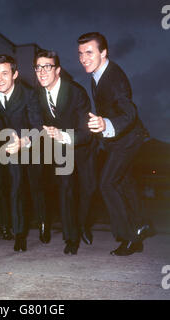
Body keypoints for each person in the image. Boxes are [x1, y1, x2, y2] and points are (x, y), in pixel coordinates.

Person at [77, 32, 152, 256]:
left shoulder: (114, 78)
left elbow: (130, 112)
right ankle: (141, 225)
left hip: (129, 137)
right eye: (80, 53)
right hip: (120, 139)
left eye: (89, 52)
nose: (83, 58)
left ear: (104, 52)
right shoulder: (97, 74)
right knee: (124, 182)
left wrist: (106, 124)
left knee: (107, 184)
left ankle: (128, 237)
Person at [34, 50, 94, 255]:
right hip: (60, 150)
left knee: (87, 191)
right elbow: (34, 122)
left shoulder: (76, 92)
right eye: (38, 67)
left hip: (82, 146)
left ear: (57, 70)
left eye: (47, 67)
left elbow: (86, 132)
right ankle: (71, 238)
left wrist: (64, 136)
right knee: (66, 188)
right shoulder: (38, 94)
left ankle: (83, 225)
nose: (42, 72)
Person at [0, 54, 46, 251]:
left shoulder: (29, 95)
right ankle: (18, 234)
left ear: (15, 74)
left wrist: (24, 141)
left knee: (36, 189)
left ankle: (43, 222)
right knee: (12, 187)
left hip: (30, 145)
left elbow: (38, 127)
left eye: (5, 73)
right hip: (4, 147)